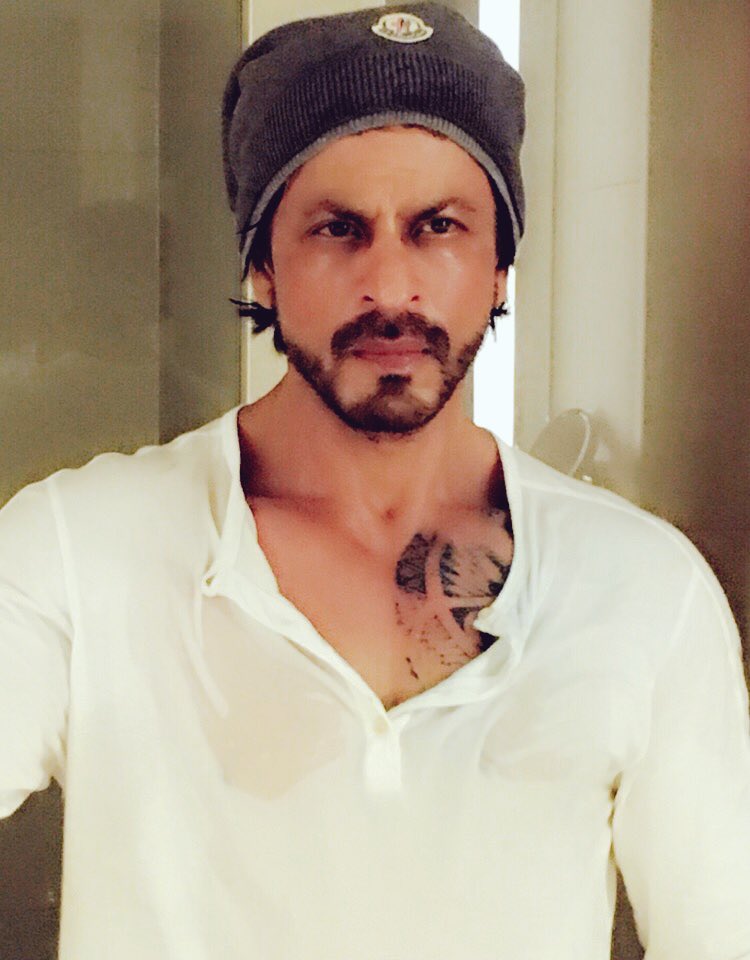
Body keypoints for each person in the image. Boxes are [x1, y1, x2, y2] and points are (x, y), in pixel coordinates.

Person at [1, 3, 749, 958]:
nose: (390, 286)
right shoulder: (77, 553)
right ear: (264, 267)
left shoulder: (643, 589)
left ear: (500, 267)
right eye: (337, 229)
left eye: (438, 227)